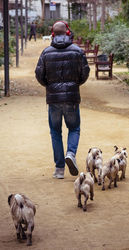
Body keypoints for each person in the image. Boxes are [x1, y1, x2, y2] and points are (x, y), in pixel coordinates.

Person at [35, 21, 90, 179]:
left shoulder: (46, 52)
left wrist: (50, 86)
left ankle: (59, 169)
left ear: (52, 34)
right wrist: (75, 84)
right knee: (74, 129)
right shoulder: (77, 51)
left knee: (55, 132)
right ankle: (71, 153)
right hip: (72, 98)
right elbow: (85, 72)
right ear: (67, 32)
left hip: (53, 99)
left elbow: (39, 75)